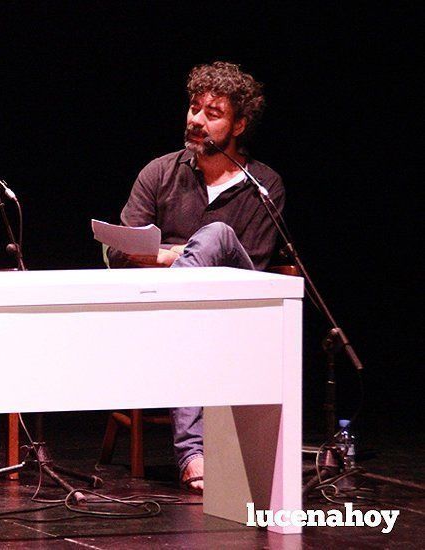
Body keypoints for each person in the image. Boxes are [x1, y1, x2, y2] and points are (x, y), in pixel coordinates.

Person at [108, 62, 285, 493]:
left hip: (237, 311)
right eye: (193, 108)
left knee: (219, 235)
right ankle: (192, 452)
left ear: (239, 124)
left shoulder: (262, 184)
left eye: (213, 112)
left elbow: (255, 266)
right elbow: (120, 248)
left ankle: (192, 452)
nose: (196, 119)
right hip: (162, 310)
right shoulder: (160, 171)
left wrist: (174, 255)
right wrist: (185, 261)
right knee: (188, 319)